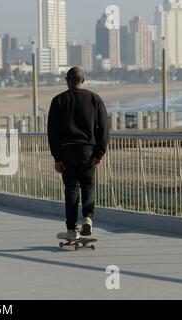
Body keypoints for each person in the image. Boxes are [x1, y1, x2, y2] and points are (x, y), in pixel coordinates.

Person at [47, 67, 109, 239]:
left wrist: (57, 157)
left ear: (67, 80)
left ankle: (71, 229)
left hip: (67, 151)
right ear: (83, 80)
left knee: (71, 189)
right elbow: (103, 128)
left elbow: (52, 132)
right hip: (88, 151)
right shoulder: (95, 99)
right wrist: (99, 153)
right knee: (88, 186)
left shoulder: (58, 100)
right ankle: (88, 218)